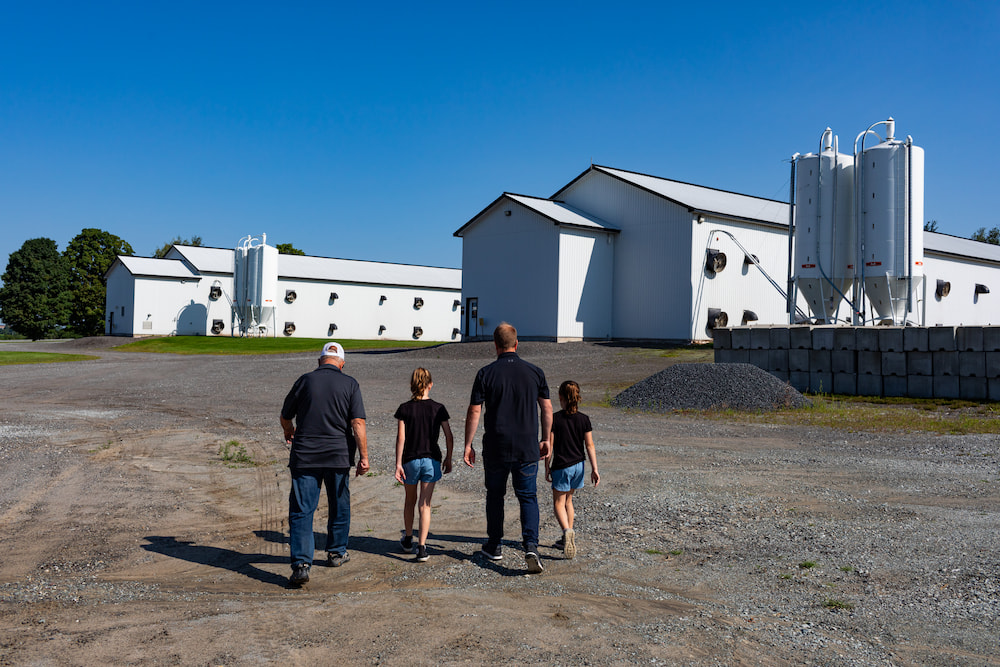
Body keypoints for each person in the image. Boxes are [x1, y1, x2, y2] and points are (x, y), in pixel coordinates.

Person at [464, 322, 552, 573]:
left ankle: (494, 545)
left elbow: (475, 411)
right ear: (516, 343)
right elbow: (546, 408)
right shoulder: (535, 372)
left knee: (495, 495)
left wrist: (468, 444)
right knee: (528, 496)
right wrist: (546, 438)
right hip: (527, 445)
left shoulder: (485, 373)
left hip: (496, 446)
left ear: (495, 345)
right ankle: (531, 546)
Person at [280, 341, 368, 586]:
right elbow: (358, 423)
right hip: (338, 455)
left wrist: (289, 430)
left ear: (320, 361)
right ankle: (336, 553)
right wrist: (364, 456)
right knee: (339, 505)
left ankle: (301, 565)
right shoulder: (350, 384)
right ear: (342, 363)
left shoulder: (305, 381)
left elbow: (285, 415)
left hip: (305, 455)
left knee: (302, 509)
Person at [393, 367, 454, 562]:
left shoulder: (404, 408)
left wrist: (398, 463)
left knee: (410, 501)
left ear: (412, 385)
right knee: (425, 504)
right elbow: (449, 435)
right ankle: (422, 547)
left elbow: (401, 438)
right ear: (430, 385)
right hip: (431, 459)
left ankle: (408, 539)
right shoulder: (438, 408)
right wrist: (448, 457)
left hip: (410, 460)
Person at [544, 380, 600, 559]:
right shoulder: (584, 419)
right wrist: (595, 469)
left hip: (562, 466)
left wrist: (546, 467)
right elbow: (590, 445)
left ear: (560, 397)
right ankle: (566, 537)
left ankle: (567, 532)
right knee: (569, 500)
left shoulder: (555, 419)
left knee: (558, 503)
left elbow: (549, 446)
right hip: (579, 466)